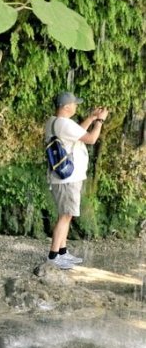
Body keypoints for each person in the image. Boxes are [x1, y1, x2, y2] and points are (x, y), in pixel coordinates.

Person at [45, 92, 108, 269]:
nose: (76, 106)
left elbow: (77, 133)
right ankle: (53, 256)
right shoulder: (64, 124)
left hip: (63, 177)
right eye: (74, 104)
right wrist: (99, 121)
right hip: (68, 179)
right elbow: (91, 139)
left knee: (66, 214)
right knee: (65, 216)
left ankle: (63, 252)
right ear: (66, 107)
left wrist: (91, 117)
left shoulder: (54, 122)